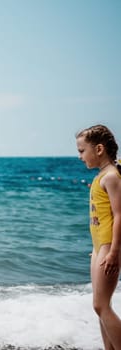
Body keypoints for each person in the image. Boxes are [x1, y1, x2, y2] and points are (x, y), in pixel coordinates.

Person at [76, 124, 121, 349]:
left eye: (82, 151)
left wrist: (114, 252)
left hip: (108, 247)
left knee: (101, 306)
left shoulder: (111, 176)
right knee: (100, 307)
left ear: (99, 149)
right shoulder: (101, 175)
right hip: (98, 247)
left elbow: (119, 215)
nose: (80, 156)